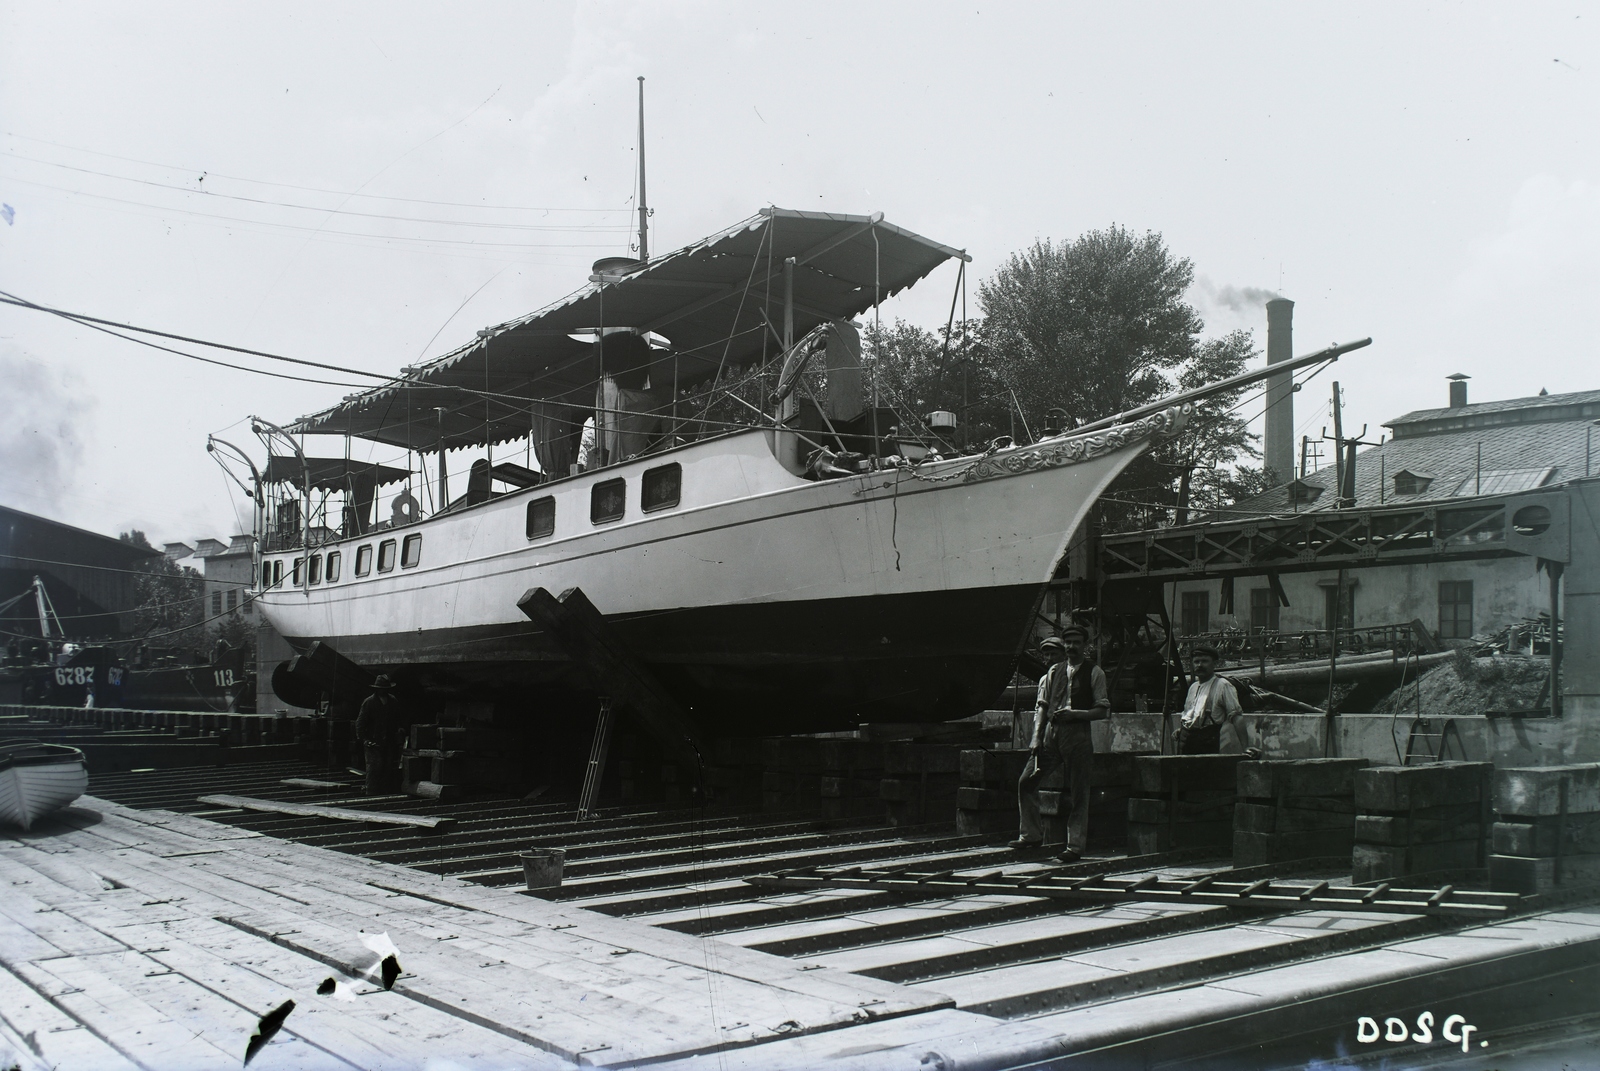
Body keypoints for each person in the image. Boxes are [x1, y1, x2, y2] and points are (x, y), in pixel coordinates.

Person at [1013, 626, 1109, 862]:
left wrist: (1076, 714)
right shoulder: (1054, 671)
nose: (1071, 647)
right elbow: (1043, 705)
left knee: (1079, 793)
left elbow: (1102, 711)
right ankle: (1031, 835)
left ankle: (1074, 847)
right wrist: (1036, 736)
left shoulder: (1095, 673)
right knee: (1026, 782)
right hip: (1051, 733)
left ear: (1085, 645)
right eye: (1068, 643)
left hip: (1077, 735)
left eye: (1077, 642)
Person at [1175, 645, 1256, 755]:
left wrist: (1246, 748)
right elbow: (1190, 714)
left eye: (1204, 661)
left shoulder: (1223, 685)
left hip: (1206, 741)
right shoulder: (1193, 687)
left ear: (1215, 664)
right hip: (1185, 741)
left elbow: (1237, 717)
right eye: (1196, 662)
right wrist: (1182, 730)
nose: (1200, 665)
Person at [355, 674, 402, 794]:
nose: (383, 691)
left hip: (388, 740)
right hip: (373, 741)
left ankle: (384, 792)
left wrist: (398, 734)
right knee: (374, 767)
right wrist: (364, 740)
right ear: (377, 689)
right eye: (381, 688)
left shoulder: (393, 701)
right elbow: (360, 723)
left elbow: (397, 720)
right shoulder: (369, 702)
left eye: (385, 689)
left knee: (387, 767)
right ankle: (370, 792)